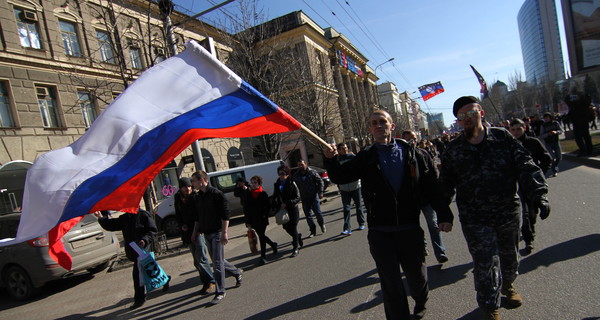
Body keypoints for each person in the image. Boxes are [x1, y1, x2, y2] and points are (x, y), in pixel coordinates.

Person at [324, 109, 454, 320]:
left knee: (417, 278)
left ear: (391, 126)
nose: (378, 125)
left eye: (382, 121)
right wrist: (330, 160)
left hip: (410, 228)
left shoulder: (414, 154)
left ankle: (421, 301)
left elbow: (431, 187)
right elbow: (341, 175)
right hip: (380, 232)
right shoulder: (365, 157)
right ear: (370, 129)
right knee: (391, 283)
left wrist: (445, 215)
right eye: (374, 122)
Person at [440, 96, 550, 320]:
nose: (468, 118)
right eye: (462, 116)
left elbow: (526, 166)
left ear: (481, 112)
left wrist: (539, 194)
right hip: (474, 217)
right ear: (458, 121)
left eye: (472, 113)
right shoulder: (453, 150)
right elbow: (444, 186)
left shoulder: (502, 138)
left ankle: (508, 285)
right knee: (484, 261)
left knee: (509, 256)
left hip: (507, 211)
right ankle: (489, 305)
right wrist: (444, 213)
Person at [94, 209, 170, 310]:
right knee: (150, 270)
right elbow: (112, 225)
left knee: (137, 274)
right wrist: (101, 218)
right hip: (133, 250)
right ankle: (165, 279)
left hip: (143, 248)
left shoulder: (144, 215)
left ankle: (139, 299)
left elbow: (152, 231)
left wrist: (144, 240)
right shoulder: (125, 217)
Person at [190, 171, 243, 305]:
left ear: (202, 180)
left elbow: (226, 215)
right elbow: (197, 217)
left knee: (217, 264)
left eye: (194, 181)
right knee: (217, 260)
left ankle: (220, 292)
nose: (193, 184)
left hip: (217, 232)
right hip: (206, 233)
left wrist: (225, 232)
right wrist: (195, 232)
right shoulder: (198, 196)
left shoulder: (216, 194)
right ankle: (236, 272)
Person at [401, 130, 449, 264]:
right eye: (409, 140)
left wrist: (436, 192)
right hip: (411, 199)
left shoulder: (424, 154)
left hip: (427, 198)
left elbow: (433, 175)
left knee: (433, 224)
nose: (413, 142)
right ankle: (423, 247)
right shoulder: (401, 158)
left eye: (414, 139)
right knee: (415, 227)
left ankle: (440, 252)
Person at [509, 119, 552, 254]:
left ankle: (530, 230)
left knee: (532, 213)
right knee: (525, 213)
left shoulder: (533, 142)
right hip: (517, 185)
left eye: (518, 129)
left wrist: (539, 175)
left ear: (524, 128)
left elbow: (546, 159)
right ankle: (529, 240)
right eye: (513, 129)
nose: (516, 132)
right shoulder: (508, 144)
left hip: (532, 184)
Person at [174, 177, 215, 295]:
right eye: (184, 187)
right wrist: (182, 225)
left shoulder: (196, 197)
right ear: (180, 188)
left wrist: (199, 229)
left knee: (201, 259)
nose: (187, 189)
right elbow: (178, 215)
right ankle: (206, 282)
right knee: (196, 261)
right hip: (187, 233)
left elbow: (201, 214)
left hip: (198, 231)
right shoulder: (178, 198)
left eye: (189, 186)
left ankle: (210, 281)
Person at [236, 175, 278, 265]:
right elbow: (246, 209)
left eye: (255, 183)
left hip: (262, 219)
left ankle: (263, 257)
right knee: (261, 236)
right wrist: (247, 221)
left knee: (261, 237)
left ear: (259, 184)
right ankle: (273, 245)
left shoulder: (263, 194)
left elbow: (267, 207)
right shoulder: (249, 195)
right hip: (253, 220)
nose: (253, 184)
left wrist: (264, 215)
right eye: (252, 183)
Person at [335, 143, 366, 235]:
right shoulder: (337, 160)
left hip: (355, 185)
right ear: (339, 150)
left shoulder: (352, 157)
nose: (345, 150)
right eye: (342, 148)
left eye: (346, 148)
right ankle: (347, 228)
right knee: (346, 208)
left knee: (359, 206)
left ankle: (361, 223)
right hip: (344, 188)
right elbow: (335, 173)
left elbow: (359, 168)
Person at [273, 164, 303, 257]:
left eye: (283, 173)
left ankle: (295, 248)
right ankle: (298, 237)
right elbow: (275, 196)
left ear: (287, 174)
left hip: (292, 209)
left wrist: (287, 203)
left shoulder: (292, 182)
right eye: (279, 173)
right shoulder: (277, 184)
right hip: (283, 210)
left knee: (293, 227)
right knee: (286, 227)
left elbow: (298, 197)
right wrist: (276, 205)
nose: (281, 175)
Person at [292, 160, 326, 237]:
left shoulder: (312, 172)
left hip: (313, 196)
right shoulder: (296, 175)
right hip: (304, 198)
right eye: (299, 165)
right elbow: (294, 187)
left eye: (302, 164)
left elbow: (320, 181)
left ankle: (321, 224)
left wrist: (320, 192)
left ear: (305, 164)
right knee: (308, 215)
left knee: (317, 212)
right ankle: (312, 230)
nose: (301, 166)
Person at [565, 89, 594, 156]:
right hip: (579, 120)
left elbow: (567, 101)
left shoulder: (582, 102)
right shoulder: (576, 103)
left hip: (580, 120)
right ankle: (587, 150)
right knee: (583, 136)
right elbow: (567, 101)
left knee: (582, 136)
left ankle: (586, 150)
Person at [539, 112, 563, 177]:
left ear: (550, 118)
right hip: (548, 143)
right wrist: (547, 134)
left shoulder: (555, 123)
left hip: (556, 141)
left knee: (559, 157)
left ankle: (555, 166)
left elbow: (561, 130)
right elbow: (541, 135)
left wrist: (556, 132)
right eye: (545, 118)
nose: (546, 119)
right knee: (551, 158)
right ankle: (554, 170)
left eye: (547, 117)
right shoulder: (543, 125)